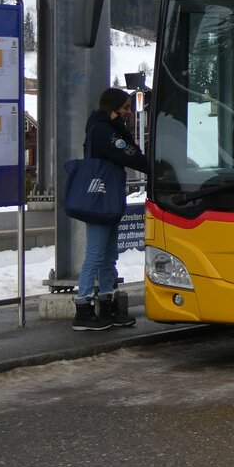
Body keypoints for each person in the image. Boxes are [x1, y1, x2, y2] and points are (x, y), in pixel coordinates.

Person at [73, 87, 150, 332]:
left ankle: (107, 304)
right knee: (96, 255)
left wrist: (119, 127)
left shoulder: (103, 128)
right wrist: (156, 169)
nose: (129, 112)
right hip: (101, 200)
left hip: (108, 199)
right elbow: (132, 154)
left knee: (108, 255)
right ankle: (83, 309)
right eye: (126, 107)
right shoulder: (103, 131)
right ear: (113, 107)